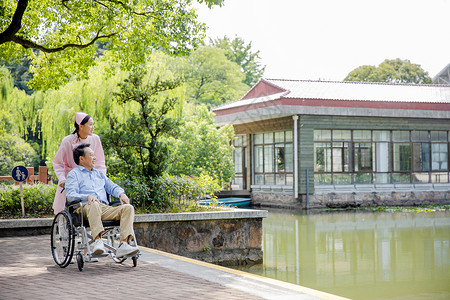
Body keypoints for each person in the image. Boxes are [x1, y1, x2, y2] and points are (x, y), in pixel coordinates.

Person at [65, 143, 139, 258]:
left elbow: (113, 187)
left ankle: (123, 244)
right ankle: (98, 241)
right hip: (84, 208)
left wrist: (121, 193)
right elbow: (70, 195)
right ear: (82, 158)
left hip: (103, 208)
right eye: (91, 155)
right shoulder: (73, 175)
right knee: (94, 204)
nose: (95, 158)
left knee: (128, 208)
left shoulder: (99, 174)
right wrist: (87, 196)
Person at [52, 112, 106, 214]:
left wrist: (101, 177)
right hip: (71, 178)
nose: (93, 127)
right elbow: (57, 162)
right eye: (90, 124)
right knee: (65, 210)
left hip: (90, 179)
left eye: (93, 124)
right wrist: (63, 179)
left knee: (93, 205)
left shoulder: (95, 139)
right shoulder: (67, 141)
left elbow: (100, 162)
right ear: (81, 126)